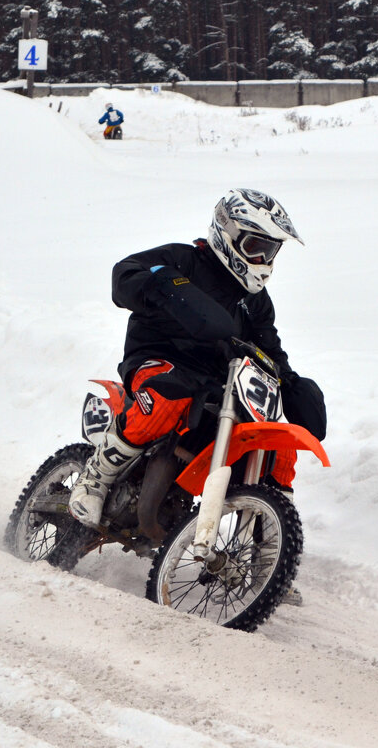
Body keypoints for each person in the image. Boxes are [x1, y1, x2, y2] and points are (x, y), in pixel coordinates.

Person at [68, 188, 327, 528]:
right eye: (256, 247)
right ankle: (96, 477)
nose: (263, 260)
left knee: (278, 440)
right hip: (158, 360)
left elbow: (270, 348)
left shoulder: (256, 302)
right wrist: (168, 289)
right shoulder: (182, 260)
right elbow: (125, 274)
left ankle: (270, 536)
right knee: (169, 396)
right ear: (228, 234)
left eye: (270, 251)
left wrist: (289, 382)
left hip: (218, 385)